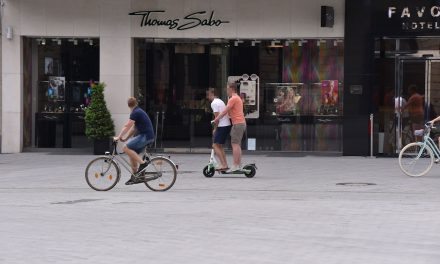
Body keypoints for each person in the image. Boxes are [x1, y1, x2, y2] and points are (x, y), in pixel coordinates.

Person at [114, 97, 155, 185]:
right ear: (136, 103)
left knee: (125, 147)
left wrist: (119, 137)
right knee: (131, 153)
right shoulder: (138, 111)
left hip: (145, 136)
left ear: (128, 105)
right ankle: (136, 176)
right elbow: (133, 129)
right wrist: (125, 138)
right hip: (147, 136)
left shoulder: (135, 113)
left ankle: (143, 164)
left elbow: (127, 126)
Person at [214, 83, 246, 173]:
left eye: (227, 89)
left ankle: (235, 165)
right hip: (240, 123)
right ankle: (238, 164)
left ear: (232, 89)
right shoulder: (237, 98)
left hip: (238, 124)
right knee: (237, 144)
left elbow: (225, 111)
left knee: (235, 144)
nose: (226, 91)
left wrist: (216, 119)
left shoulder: (233, 99)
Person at [206, 88, 231, 171]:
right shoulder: (220, 101)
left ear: (213, 94)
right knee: (219, 146)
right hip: (226, 125)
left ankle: (224, 165)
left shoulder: (214, 103)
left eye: (208, 95)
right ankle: (225, 164)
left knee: (215, 145)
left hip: (222, 126)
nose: (207, 97)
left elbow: (217, 117)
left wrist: (215, 129)